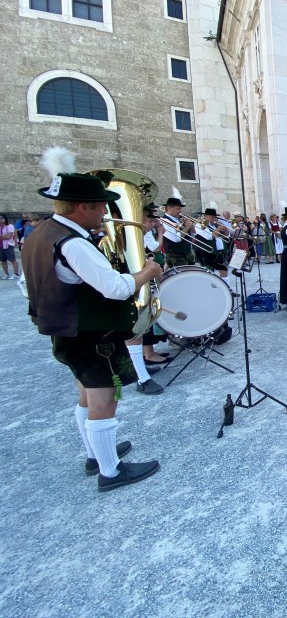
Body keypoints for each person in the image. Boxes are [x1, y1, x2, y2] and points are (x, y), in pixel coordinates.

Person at [22, 149, 162, 491]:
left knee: (85, 394)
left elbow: (31, 286)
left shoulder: (40, 235)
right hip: (89, 332)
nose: (105, 212)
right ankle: (111, 471)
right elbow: (115, 288)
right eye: (101, 206)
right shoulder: (74, 244)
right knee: (105, 399)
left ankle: (94, 455)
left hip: (66, 329)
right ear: (82, 207)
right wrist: (146, 272)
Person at [160, 193, 195, 267]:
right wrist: (186, 227)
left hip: (188, 253)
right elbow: (176, 238)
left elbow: (193, 233)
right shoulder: (164, 220)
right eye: (178, 208)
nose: (181, 211)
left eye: (181, 208)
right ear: (169, 208)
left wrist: (190, 225)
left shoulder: (179, 219)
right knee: (182, 277)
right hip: (175, 255)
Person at [0, 213, 20, 279]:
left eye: (1, 218)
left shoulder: (9, 226)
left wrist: (4, 236)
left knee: (12, 259)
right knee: (3, 260)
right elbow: (5, 236)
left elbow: (8, 237)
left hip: (8, 245)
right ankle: (6, 274)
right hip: (1, 245)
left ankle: (16, 274)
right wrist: (3, 236)